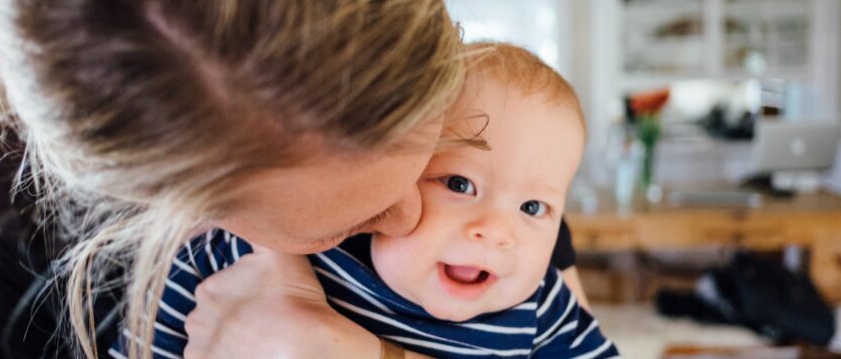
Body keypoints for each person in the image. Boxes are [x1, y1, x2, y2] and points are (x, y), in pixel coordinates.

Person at [0, 0, 591, 358]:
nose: (412, 214)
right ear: (178, 207)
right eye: (350, 220)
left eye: (433, 162)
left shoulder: (492, 162)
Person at [115, 43, 617, 358]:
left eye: (533, 208)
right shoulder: (259, 248)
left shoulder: (541, 304)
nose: (496, 228)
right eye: (458, 185)